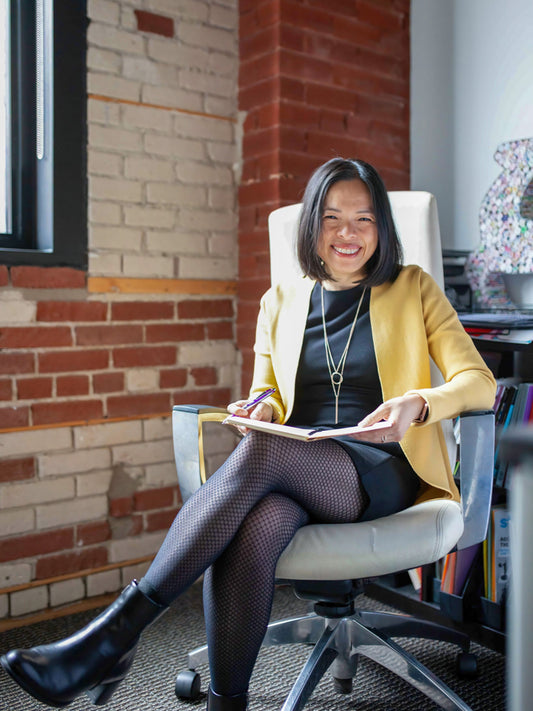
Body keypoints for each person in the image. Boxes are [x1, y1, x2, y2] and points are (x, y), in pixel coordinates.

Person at [0, 158, 496, 710]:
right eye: (332, 218)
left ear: (383, 227)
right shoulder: (279, 300)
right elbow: (271, 397)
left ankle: (116, 636)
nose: (348, 234)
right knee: (255, 527)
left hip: (382, 466)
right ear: (312, 227)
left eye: (364, 219)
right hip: (300, 462)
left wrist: (419, 403)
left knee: (262, 452)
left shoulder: (413, 288)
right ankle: (226, 702)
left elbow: (480, 383)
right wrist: (257, 406)